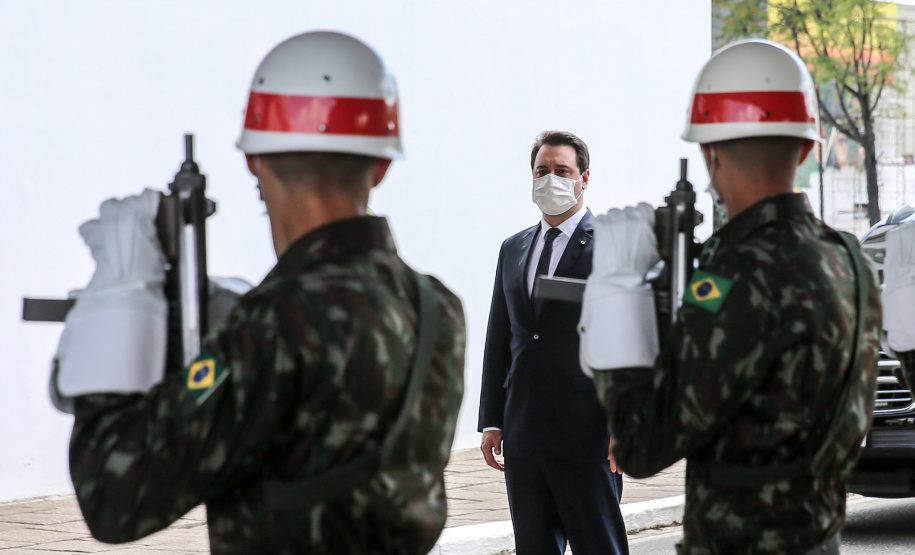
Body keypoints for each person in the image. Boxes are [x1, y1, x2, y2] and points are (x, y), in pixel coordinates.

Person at [52, 31, 466, 554]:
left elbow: (115, 500)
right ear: (381, 166)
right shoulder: (436, 307)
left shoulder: (274, 322)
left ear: (254, 159)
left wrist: (119, 300)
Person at [577, 39, 881, 553]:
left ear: (710, 152)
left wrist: (616, 289)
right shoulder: (850, 261)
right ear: (806, 148)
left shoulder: (736, 276)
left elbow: (640, 444)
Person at [478, 131, 628, 555]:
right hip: (524, 434)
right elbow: (500, 336)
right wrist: (492, 420)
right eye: (541, 171)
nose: (550, 179)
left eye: (562, 171)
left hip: (588, 434)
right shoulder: (513, 248)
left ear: (584, 178)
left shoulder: (614, 246)